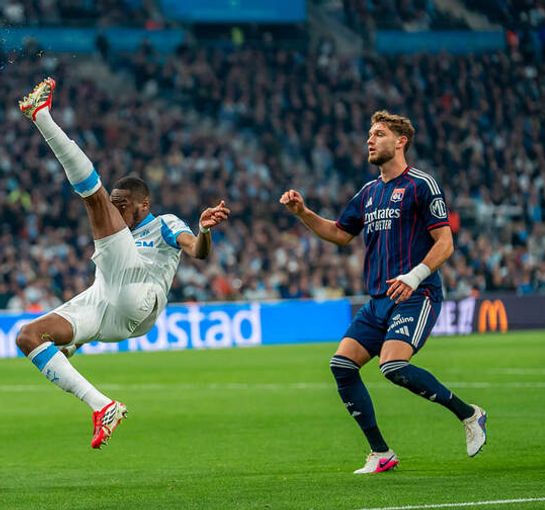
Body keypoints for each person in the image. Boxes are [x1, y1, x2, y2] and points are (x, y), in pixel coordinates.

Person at [16, 78, 230, 449]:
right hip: (106, 302)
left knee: (92, 198)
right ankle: (102, 406)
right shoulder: (119, 236)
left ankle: (42, 117)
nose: (116, 210)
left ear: (144, 205)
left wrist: (204, 230)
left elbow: (198, 251)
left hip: (140, 296)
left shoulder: (164, 223)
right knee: (28, 336)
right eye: (114, 204)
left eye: (123, 205)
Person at [280, 111, 487, 474]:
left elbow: (445, 243)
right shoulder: (369, 193)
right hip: (378, 301)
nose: (369, 140)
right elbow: (340, 234)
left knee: (392, 365)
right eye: (369, 135)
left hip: (416, 295)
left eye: (378, 134)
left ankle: (469, 414)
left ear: (400, 141)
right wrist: (303, 213)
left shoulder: (422, 184)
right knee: (342, 366)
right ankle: (381, 453)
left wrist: (414, 276)